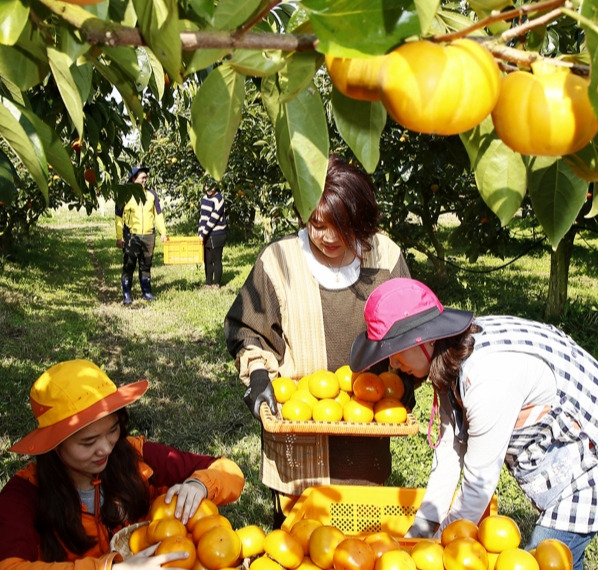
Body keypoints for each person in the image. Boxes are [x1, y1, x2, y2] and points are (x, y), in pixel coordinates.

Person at [350, 277, 598, 570]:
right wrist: (424, 527)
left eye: (396, 351)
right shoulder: (449, 357)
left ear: (425, 341)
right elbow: (450, 447)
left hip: (587, 456)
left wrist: (442, 547)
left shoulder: (487, 378)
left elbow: (478, 485)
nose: (392, 365)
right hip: (558, 449)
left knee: (546, 556)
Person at [224, 154, 412, 528]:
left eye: (341, 226)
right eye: (317, 224)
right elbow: (248, 329)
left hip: (365, 425)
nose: (328, 238)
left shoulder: (385, 257)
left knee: (361, 536)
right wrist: (259, 377)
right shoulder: (279, 261)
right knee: (300, 539)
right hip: (299, 431)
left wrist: (403, 382)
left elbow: (411, 328)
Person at [0, 360, 245, 570]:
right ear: (54, 444)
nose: (106, 448)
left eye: (113, 430)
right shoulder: (25, 494)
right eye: (88, 442)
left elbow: (226, 469)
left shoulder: (136, 456)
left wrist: (199, 484)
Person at [115, 166, 168, 305]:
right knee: (129, 265)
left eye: (146, 177)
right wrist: (119, 236)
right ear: (134, 179)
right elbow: (118, 217)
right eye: (142, 177)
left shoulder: (151, 194)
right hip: (132, 235)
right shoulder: (125, 195)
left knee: (146, 265)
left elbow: (158, 214)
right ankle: (127, 294)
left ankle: (147, 292)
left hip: (149, 235)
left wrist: (163, 233)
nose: (145, 180)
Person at [198, 183, 227, 289]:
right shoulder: (204, 198)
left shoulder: (219, 199)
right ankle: (208, 282)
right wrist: (200, 232)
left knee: (216, 260)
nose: (209, 189)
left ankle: (216, 283)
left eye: (211, 186)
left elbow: (213, 219)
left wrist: (203, 233)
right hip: (206, 234)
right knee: (207, 260)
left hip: (217, 234)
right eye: (206, 186)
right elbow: (202, 217)